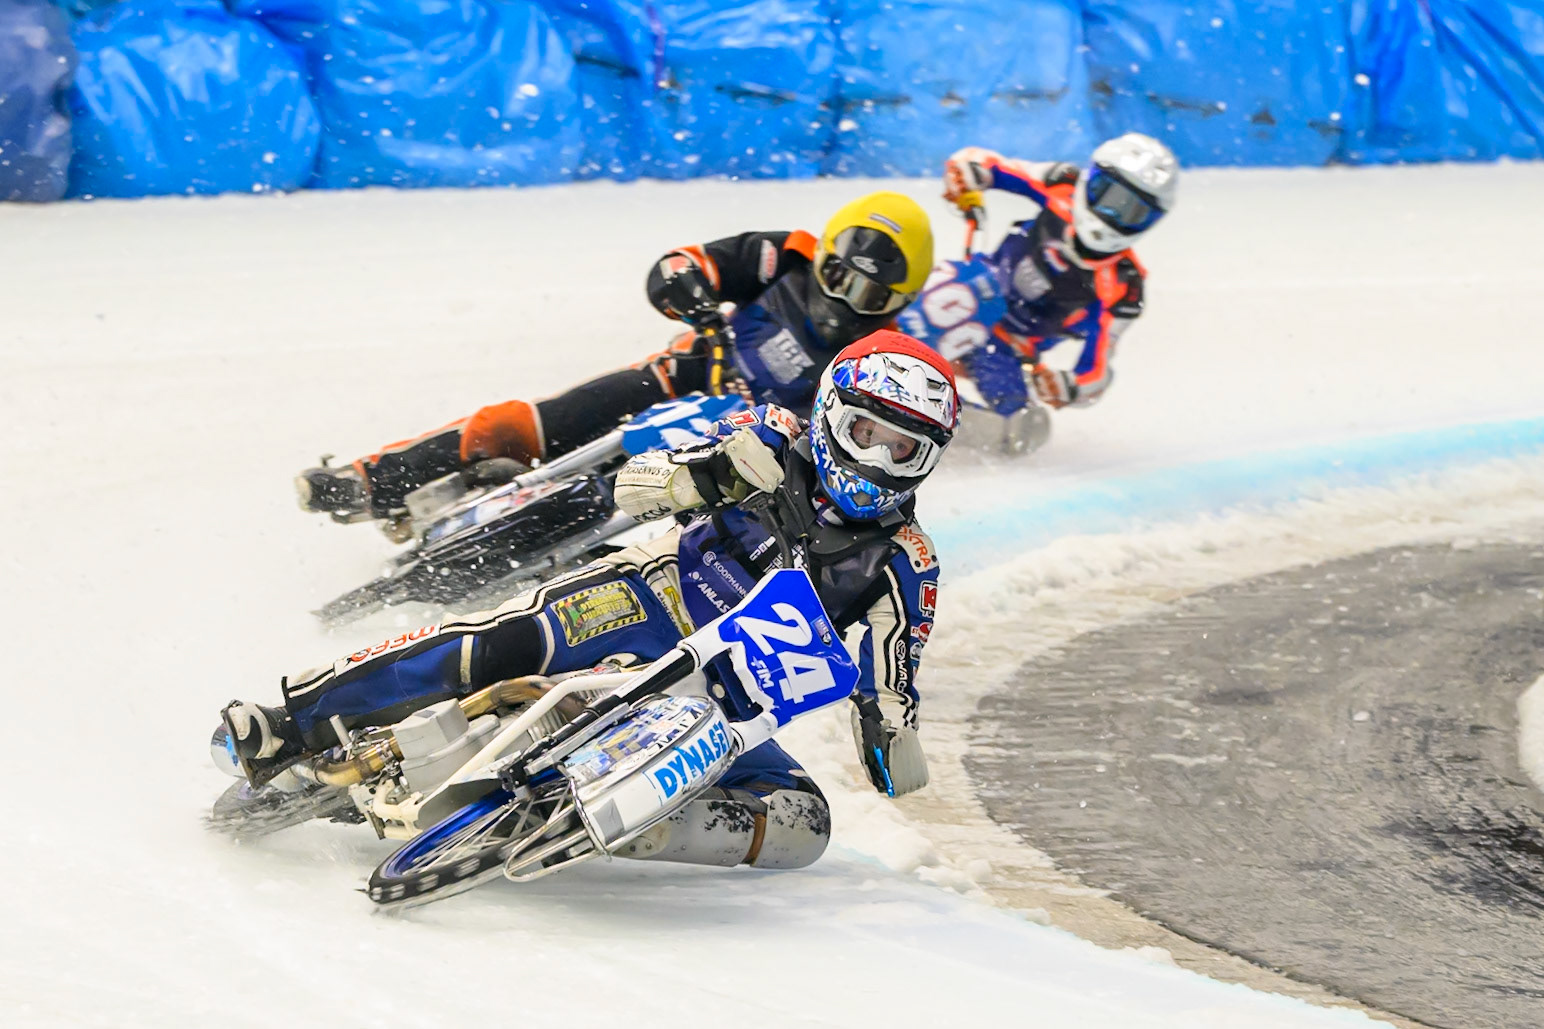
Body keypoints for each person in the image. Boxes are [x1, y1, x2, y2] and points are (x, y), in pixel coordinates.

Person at [225, 329, 958, 871]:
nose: (877, 459)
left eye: (903, 449)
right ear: (833, 410)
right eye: (867, 432)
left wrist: (889, 731)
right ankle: (289, 721)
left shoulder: (908, 561)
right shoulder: (764, 433)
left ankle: (639, 826)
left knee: (805, 826)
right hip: (651, 597)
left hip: (730, 703)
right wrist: (710, 474)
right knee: (503, 638)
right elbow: (633, 485)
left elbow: (893, 671)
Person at [297, 193, 935, 526]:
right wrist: (696, 301)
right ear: (821, 251)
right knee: (521, 424)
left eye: (868, 293)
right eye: (836, 273)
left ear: (895, 301)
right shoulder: (784, 252)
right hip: (672, 381)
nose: (841, 298)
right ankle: (372, 479)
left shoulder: (884, 355)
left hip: (748, 447)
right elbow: (681, 265)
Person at [934, 133, 1178, 423]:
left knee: (1019, 423)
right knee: (910, 296)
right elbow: (986, 162)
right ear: (1090, 179)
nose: (1111, 212)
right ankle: (873, 340)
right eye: (1106, 193)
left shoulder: (1124, 287)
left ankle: (956, 424)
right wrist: (967, 174)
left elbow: (1096, 370)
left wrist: (1069, 387)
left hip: (1008, 346)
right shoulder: (1061, 183)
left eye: (1131, 211)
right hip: (970, 288)